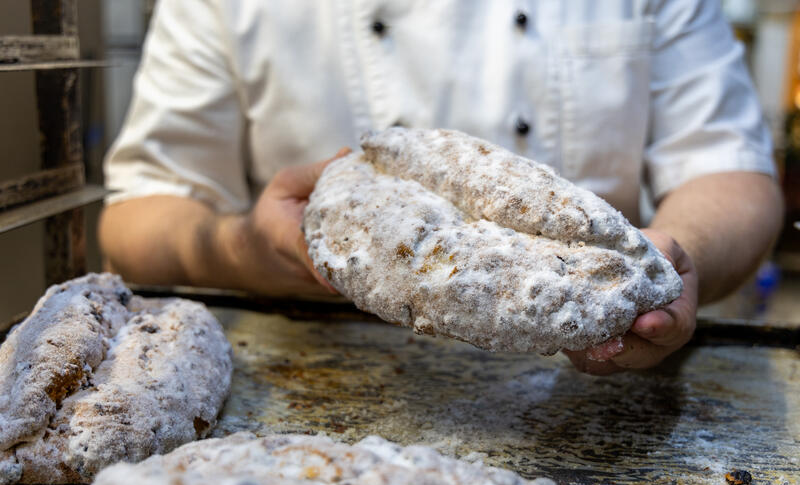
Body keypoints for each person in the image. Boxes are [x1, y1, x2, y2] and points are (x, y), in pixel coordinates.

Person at [99, 0, 784, 375]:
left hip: (599, 373)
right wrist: (242, 247)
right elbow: (140, 212)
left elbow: (732, 172)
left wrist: (680, 254)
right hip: (316, 381)